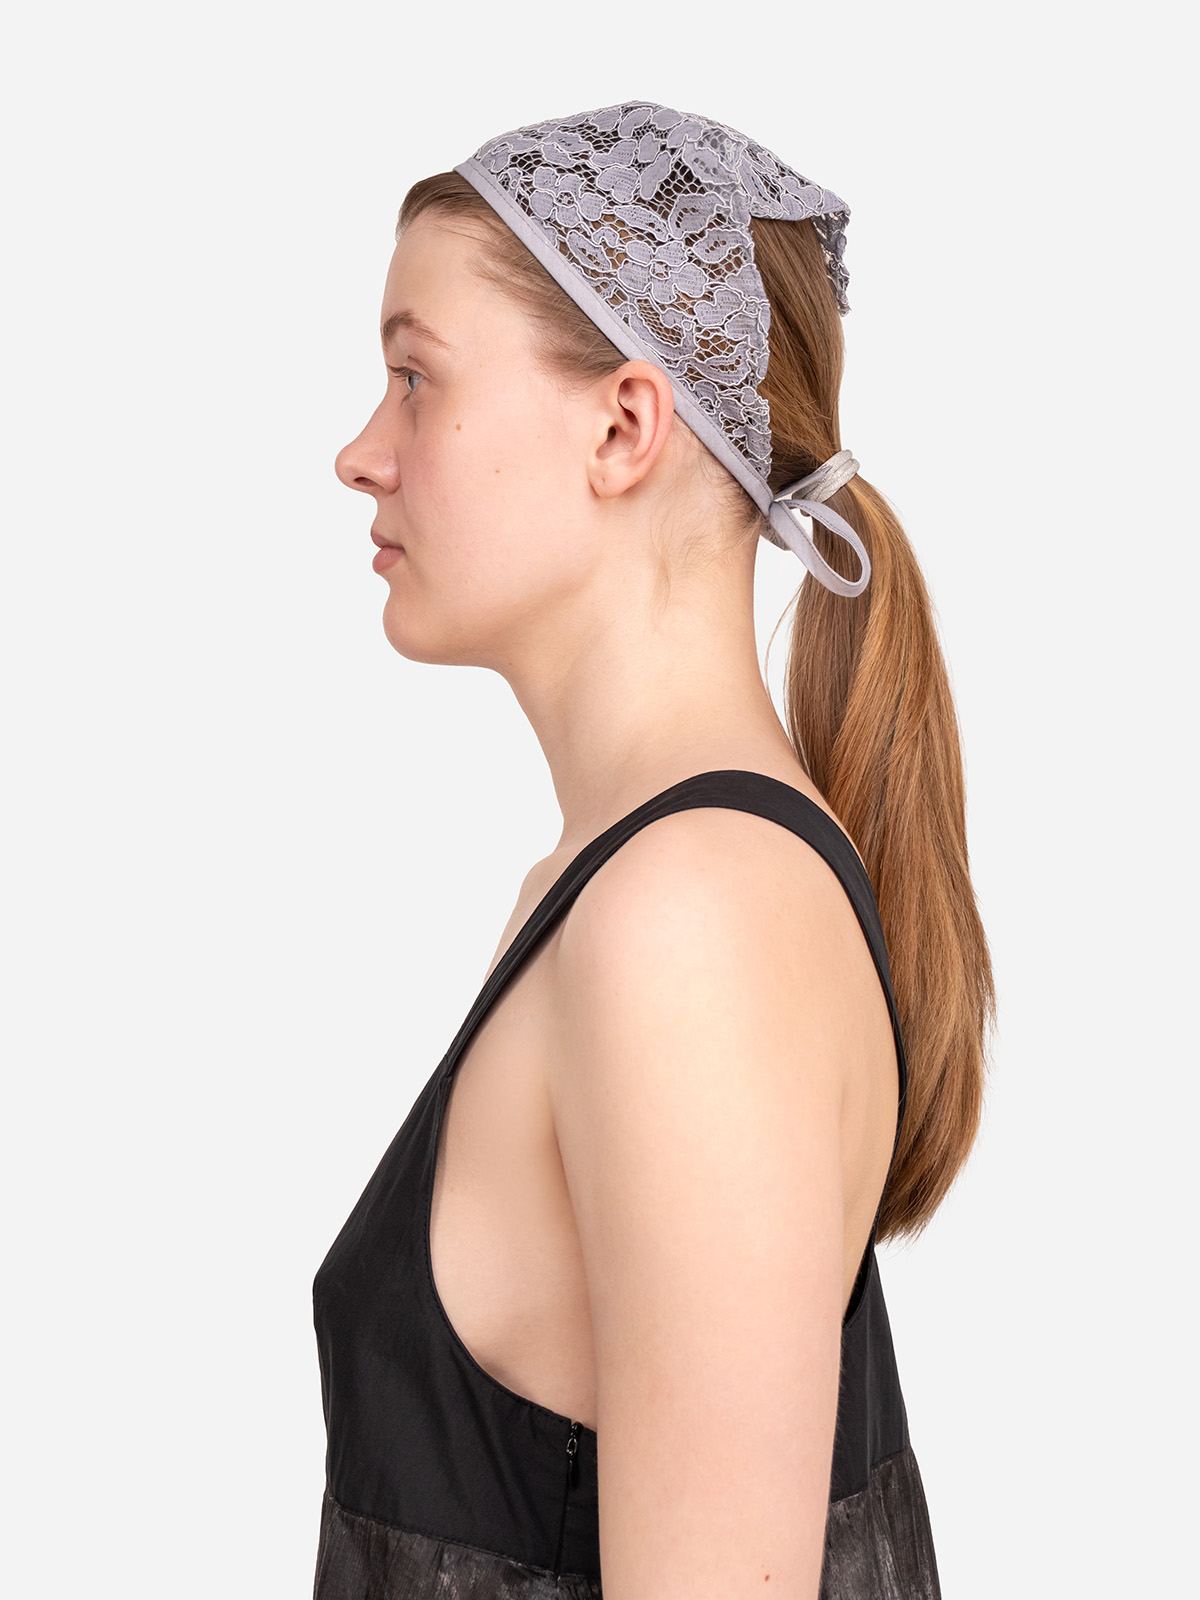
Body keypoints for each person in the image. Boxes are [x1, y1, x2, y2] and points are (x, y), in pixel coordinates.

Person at [313, 100, 993, 1600]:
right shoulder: (619, 893)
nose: (361, 453)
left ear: (625, 426)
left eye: (416, 377)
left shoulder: (688, 921)